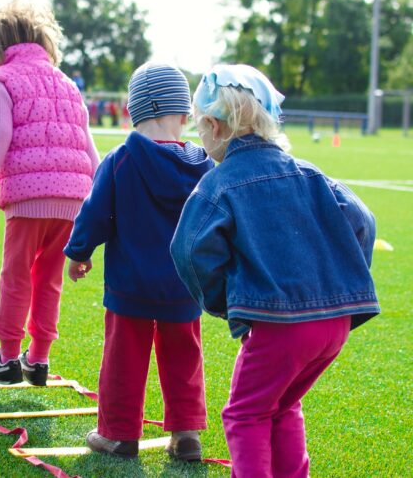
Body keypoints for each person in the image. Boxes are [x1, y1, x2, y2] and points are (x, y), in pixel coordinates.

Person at [170, 64, 380, 478]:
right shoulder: (312, 173)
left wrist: (224, 302)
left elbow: (189, 250)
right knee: (282, 405)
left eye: (199, 128)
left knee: (244, 414)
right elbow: (363, 220)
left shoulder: (219, 183)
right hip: (334, 323)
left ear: (214, 125)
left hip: (279, 325)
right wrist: (340, 277)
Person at [64, 63, 214, 460]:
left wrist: (79, 253)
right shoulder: (205, 166)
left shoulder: (120, 159)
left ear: (131, 111)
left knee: (123, 360)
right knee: (184, 358)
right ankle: (186, 434)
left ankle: (119, 434)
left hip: (129, 285)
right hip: (185, 286)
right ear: (184, 115)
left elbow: (94, 213)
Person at [0, 0, 99, 386]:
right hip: (73, 199)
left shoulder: (2, 81)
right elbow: (89, 148)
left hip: (28, 197)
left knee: (15, 276)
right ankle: (38, 359)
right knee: (48, 278)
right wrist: (100, 206)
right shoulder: (67, 84)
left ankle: (5, 358)